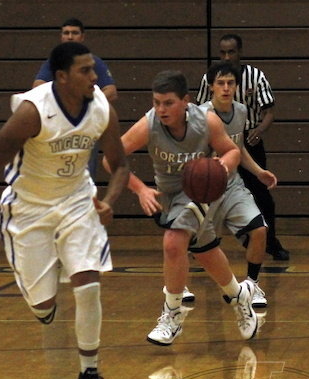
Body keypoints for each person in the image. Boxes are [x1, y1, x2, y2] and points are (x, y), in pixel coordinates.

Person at [0, 42, 129, 379]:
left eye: (94, 69)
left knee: (88, 284)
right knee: (43, 306)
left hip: (77, 203)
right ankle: (46, 292)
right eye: (85, 71)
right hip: (29, 209)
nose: (95, 77)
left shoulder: (101, 109)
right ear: (62, 77)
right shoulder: (33, 111)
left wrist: (109, 200)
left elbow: (120, 164)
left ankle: (89, 376)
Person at [105, 70, 258, 346]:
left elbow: (232, 151)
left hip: (202, 191)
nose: (161, 109)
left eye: (168, 103)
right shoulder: (148, 125)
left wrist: (221, 167)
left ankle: (172, 314)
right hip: (170, 196)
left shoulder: (206, 121)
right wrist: (140, 189)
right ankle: (239, 295)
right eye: (156, 103)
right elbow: (111, 160)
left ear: (185, 101)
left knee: (173, 242)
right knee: (205, 251)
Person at [186, 61, 277, 308]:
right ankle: (178, 287)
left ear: (237, 86)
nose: (226, 88)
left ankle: (252, 286)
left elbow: (238, 148)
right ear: (211, 86)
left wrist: (258, 172)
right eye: (221, 83)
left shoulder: (241, 111)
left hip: (232, 185)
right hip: (205, 188)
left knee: (260, 230)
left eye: (231, 83)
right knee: (186, 239)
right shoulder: (199, 116)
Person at [196, 34, 289, 261]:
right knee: (206, 201)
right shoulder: (207, 92)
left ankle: (268, 243)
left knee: (261, 196)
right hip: (211, 148)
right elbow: (197, 115)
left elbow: (269, 111)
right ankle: (200, 246)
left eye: (232, 52)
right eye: (223, 52)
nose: (227, 56)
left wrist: (259, 132)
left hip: (245, 138)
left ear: (240, 52)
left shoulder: (254, 79)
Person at [33, 17, 118, 179]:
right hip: (57, 125)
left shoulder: (94, 62)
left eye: (74, 33)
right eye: (66, 33)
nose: (70, 37)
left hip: (86, 124)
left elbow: (111, 91)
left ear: (82, 37)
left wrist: (85, 102)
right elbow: (37, 87)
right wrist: (62, 102)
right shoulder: (54, 62)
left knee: (86, 173)